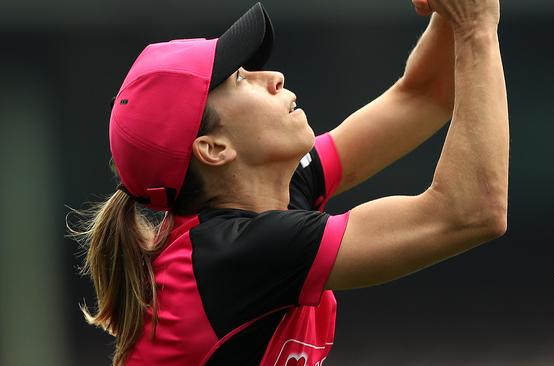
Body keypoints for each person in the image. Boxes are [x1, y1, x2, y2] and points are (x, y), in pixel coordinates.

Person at [71, 0, 508, 364]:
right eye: (240, 78)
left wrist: (456, 12)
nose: (272, 77)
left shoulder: (267, 196)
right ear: (214, 149)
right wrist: (474, 30)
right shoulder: (235, 255)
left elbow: (425, 94)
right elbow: (469, 212)